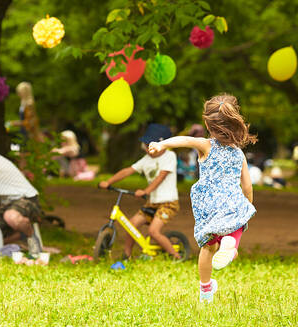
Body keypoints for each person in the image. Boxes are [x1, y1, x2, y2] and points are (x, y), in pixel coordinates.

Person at [148, 94, 257, 303]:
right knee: (235, 230)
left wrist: (162, 145)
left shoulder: (205, 145)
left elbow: (184, 140)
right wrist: (247, 206)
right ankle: (230, 246)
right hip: (232, 200)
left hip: (208, 204)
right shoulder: (239, 154)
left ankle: (206, 291)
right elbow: (247, 185)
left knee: (207, 247)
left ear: (207, 122)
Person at [99, 124, 180, 259]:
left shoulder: (169, 156)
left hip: (168, 203)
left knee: (153, 231)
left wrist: (145, 191)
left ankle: (176, 256)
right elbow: (127, 171)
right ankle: (127, 255)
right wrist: (109, 182)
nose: (148, 149)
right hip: (152, 202)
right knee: (131, 226)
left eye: (151, 145)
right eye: (146, 145)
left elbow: (161, 177)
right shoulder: (146, 159)